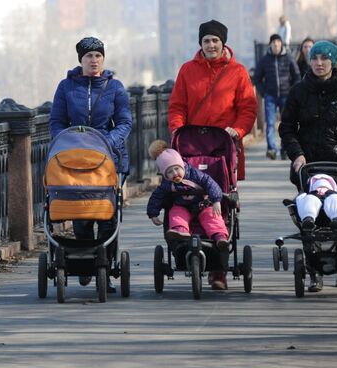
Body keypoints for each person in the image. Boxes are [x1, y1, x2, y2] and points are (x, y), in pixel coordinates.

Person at [168, 19, 257, 289]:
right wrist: (177, 132)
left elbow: (248, 108)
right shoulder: (187, 70)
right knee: (187, 196)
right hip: (191, 148)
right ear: (200, 44)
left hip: (223, 149)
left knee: (221, 202)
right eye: (206, 41)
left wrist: (238, 131)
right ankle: (187, 245)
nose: (211, 45)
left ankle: (218, 270)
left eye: (215, 40)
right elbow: (177, 106)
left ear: (223, 43)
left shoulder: (237, 72)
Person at [279, 40, 337, 290]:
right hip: (307, 167)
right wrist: (296, 154)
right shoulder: (299, 92)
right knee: (309, 219)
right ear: (308, 61)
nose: (319, 63)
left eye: (324, 59)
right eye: (314, 58)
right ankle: (313, 271)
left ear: (334, 61)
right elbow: (287, 128)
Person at [49, 36, 133, 292]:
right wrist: (68, 143)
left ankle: (104, 270)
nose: (94, 60)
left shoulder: (114, 87)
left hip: (108, 158)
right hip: (75, 159)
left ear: (103, 59)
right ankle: (85, 262)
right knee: (82, 211)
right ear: (80, 60)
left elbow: (124, 122)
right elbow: (56, 122)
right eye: (89, 56)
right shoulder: (66, 87)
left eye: (98, 56)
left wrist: (106, 141)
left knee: (107, 213)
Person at [146, 140, 230, 290]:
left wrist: (216, 200)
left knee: (212, 217)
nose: (175, 174)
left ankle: (220, 238)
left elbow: (211, 184)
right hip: (183, 206)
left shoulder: (195, 174)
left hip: (203, 205)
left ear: (183, 166)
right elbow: (156, 196)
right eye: (169, 172)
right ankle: (181, 232)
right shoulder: (168, 183)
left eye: (177, 169)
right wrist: (153, 213)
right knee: (175, 213)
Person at [253, 34, 301, 160]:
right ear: (270, 44)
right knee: (270, 123)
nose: (276, 44)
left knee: (286, 124)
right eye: (274, 42)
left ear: (281, 43)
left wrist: (292, 92)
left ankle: (285, 149)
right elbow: (257, 78)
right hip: (270, 96)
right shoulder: (264, 60)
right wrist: (263, 92)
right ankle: (271, 149)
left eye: (278, 42)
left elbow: (296, 75)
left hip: (286, 95)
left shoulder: (289, 58)